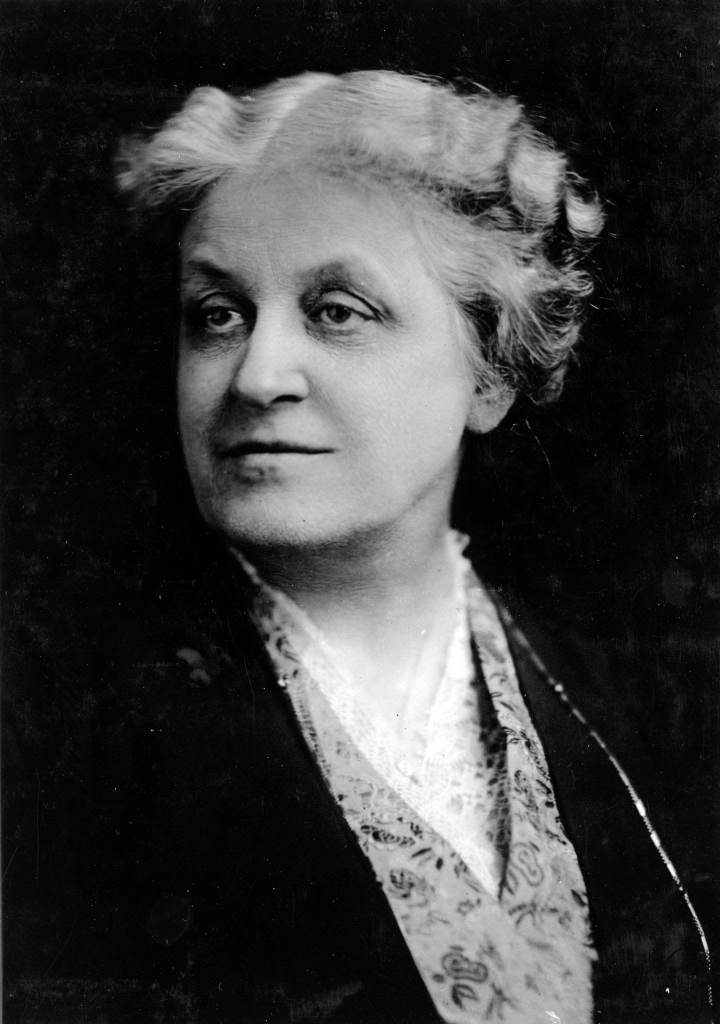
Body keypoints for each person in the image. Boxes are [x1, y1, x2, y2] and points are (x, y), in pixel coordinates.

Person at [4, 71, 714, 1024]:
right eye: (218, 314)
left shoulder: (633, 700)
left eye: (337, 309)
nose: (257, 375)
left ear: (490, 373)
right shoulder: (70, 752)